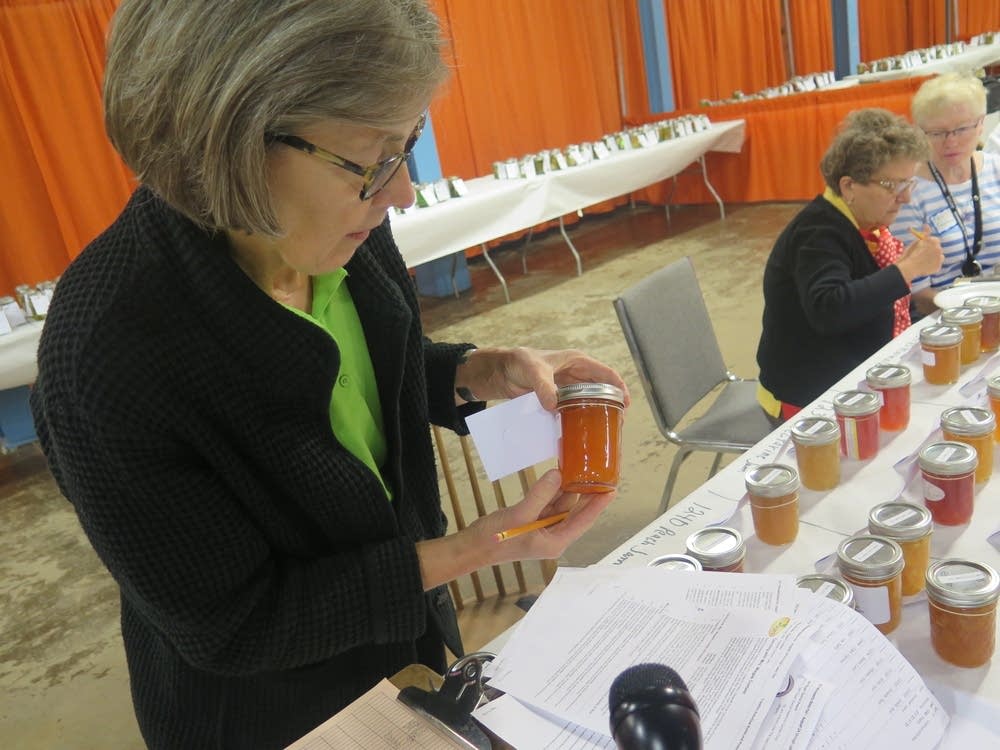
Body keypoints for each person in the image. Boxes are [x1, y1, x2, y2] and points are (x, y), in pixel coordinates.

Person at [28, 2, 629, 748]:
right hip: (274, 715)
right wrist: (477, 549)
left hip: (401, 651)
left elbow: (362, 373)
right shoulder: (106, 356)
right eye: (373, 159)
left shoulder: (339, 223)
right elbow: (235, 626)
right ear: (231, 139)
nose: (402, 193)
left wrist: (478, 372)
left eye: (408, 144)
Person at [756, 108, 943, 420]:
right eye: (892, 185)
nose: (905, 198)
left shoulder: (864, 224)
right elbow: (830, 309)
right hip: (809, 401)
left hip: (853, 378)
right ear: (849, 187)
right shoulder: (818, 233)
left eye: (908, 184)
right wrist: (908, 269)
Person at [890, 73, 1000, 314]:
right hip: (945, 318)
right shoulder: (909, 192)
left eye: (961, 129)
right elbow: (918, 294)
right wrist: (975, 317)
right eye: (937, 133)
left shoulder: (996, 170)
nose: (950, 142)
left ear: (981, 123)